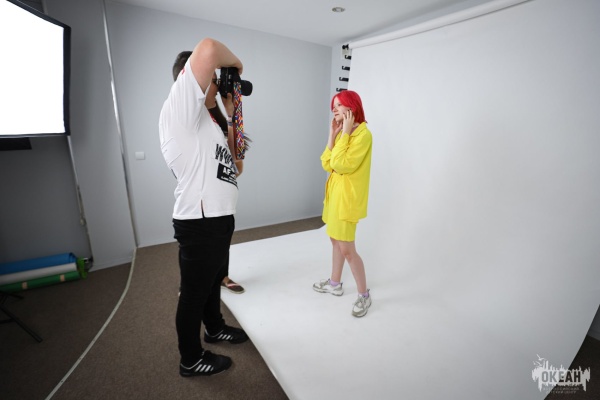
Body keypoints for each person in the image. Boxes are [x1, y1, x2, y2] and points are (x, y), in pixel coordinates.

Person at [159, 38, 249, 378]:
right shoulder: (180, 109)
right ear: (191, 79)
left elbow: (237, 164)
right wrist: (236, 66)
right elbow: (209, 46)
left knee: (213, 283)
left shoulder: (207, 123)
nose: (217, 84)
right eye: (213, 78)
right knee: (194, 294)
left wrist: (232, 109)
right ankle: (191, 359)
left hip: (220, 216)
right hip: (200, 221)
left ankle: (214, 328)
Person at [313, 90, 373, 317]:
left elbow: (342, 164)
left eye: (339, 105)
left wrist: (345, 133)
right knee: (335, 241)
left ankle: (364, 295)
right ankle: (335, 283)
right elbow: (326, 164)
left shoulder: (363, 135)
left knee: (348, 250)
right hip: (334, 196)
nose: (334, 109)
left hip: (347, 200)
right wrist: (333, 135)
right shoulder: (342, 132)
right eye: (334, 105)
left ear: (351, 107)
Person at [207, 102, 246, 294]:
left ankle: (223, 276)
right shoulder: (192, 122)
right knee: (197, 244)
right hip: (200, 197)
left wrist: (231, 117)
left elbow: (238, 165)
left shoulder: (221, 125)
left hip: (224, 199)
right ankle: (191, 282)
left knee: (223, 241)